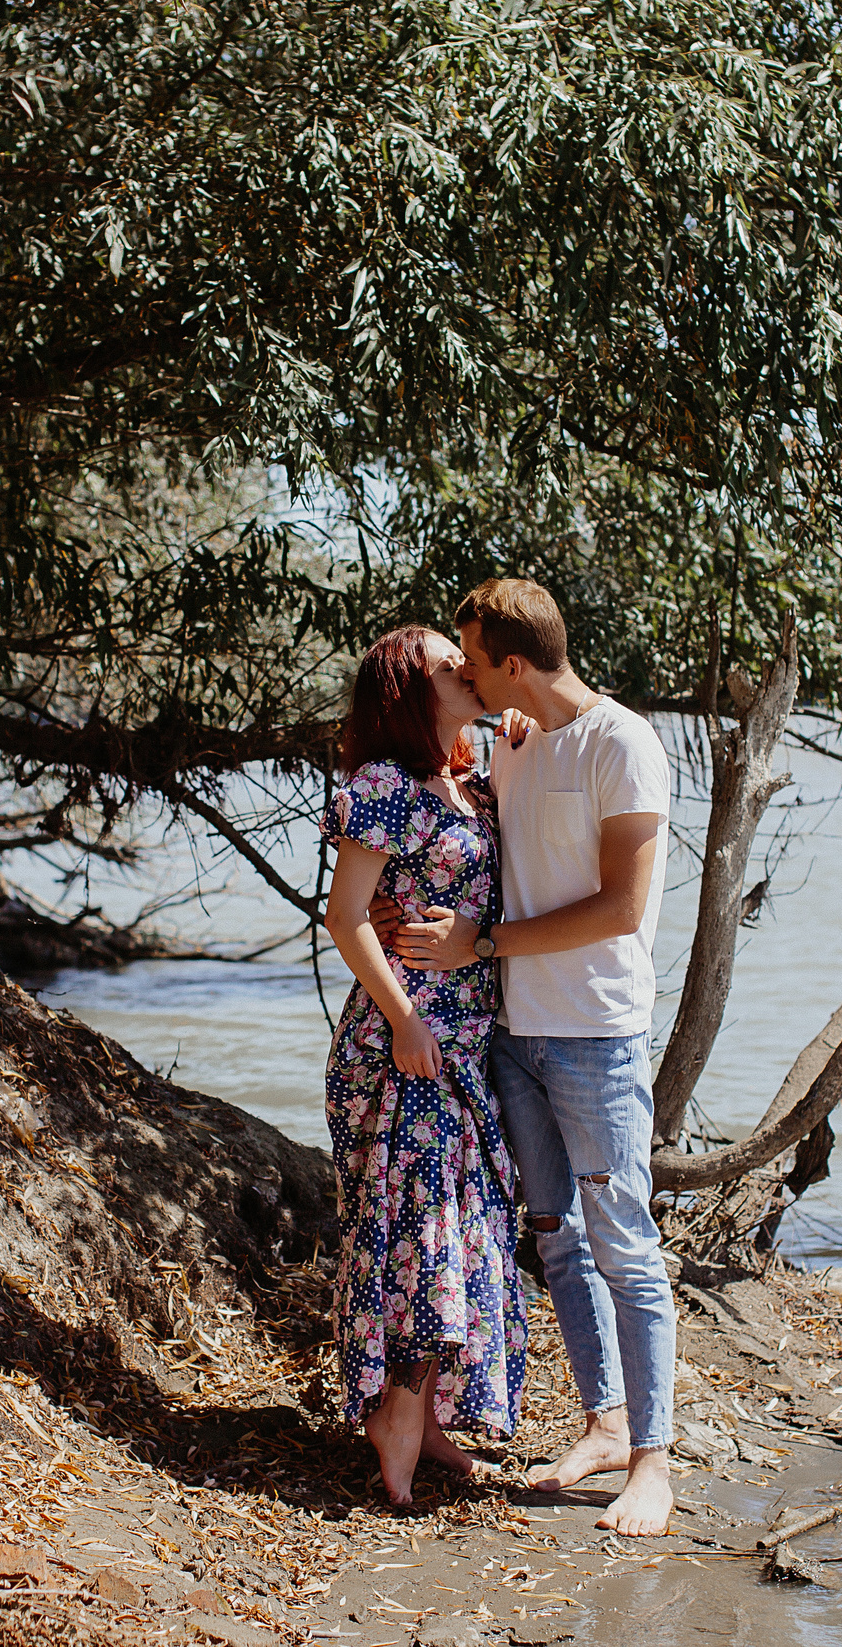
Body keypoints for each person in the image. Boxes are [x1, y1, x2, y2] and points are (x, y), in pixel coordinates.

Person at [391, 578, 677, 1537]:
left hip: (597, 1033)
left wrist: (482, 943)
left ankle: (652, 1463)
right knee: (556, 1235)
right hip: (515, 1035)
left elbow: (620, 910)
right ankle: (601, 1421)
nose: (464, 670)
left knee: (624, 1242)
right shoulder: (513, 742)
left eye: (473, 655)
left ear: (513, 661)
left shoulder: (624, 743)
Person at [318, 625, 527, 1508]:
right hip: (403, 1045)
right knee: (421, 1231)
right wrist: (404, 1018)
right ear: (412, 686)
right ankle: (395, 1418)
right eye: (453, 664)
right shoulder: (384, 788)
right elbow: (345, 915)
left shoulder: (469, 778)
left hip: (467, 1042)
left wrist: (521, 731)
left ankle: (425, 1411)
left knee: (464, 1225)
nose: (469, 670)